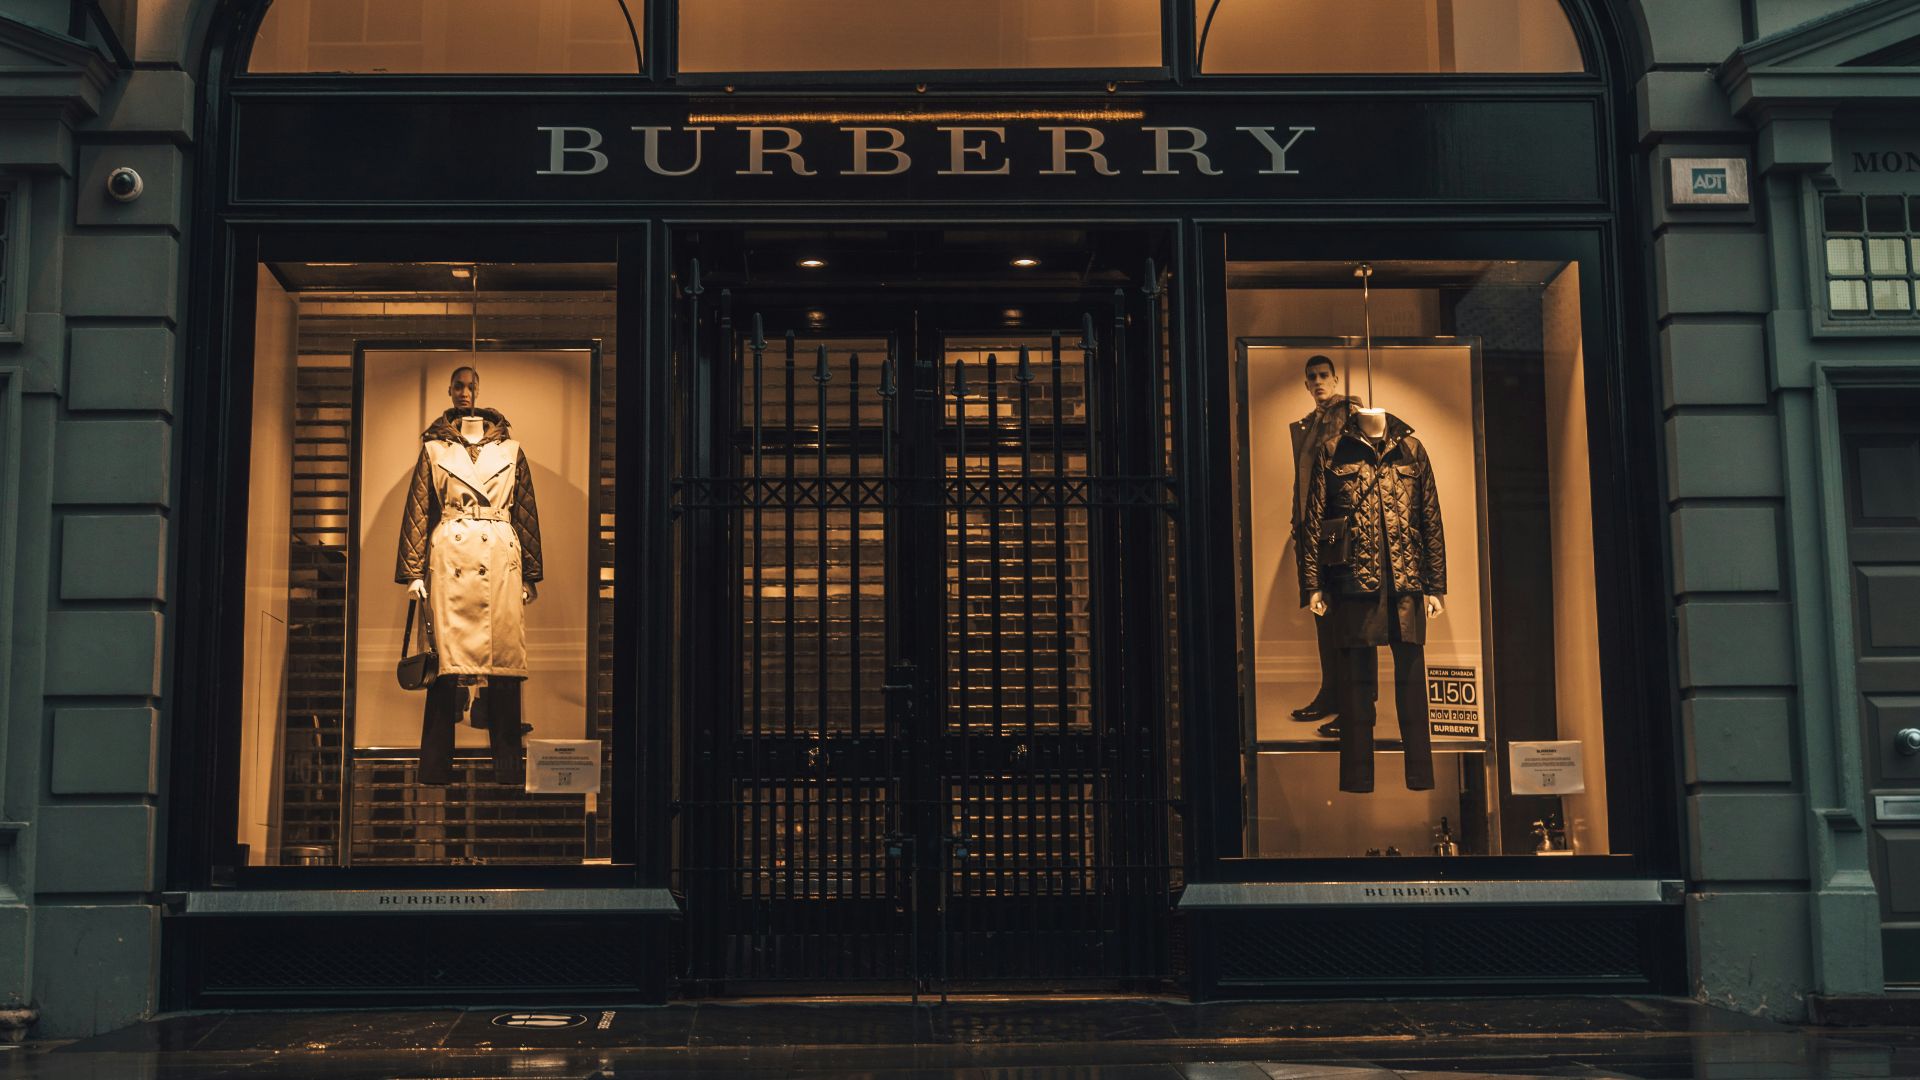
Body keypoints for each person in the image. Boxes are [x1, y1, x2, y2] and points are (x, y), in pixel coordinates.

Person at [396, 365, 545, 785]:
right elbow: (418, 511)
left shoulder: (512, 450)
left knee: (503, 666)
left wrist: (530, 574)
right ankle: (436, 768)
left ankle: (507, 769)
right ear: (450, 390)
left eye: (471, 386)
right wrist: (413, 572)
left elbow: (526, 513)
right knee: (445, 665)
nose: (465, 392)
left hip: (499, 555)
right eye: (459, 385)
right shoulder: (433, 450)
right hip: (450, 557)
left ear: (480, 391)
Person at [1287, 355, 1354, 729]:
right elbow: (1304, 478)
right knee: (1323, 614)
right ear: (1305, 382)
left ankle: (1353, 706)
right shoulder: (1311, 425)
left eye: (1323, 375)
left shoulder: (1349, 415)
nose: (1317, 381)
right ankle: (1332, 693)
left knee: (1349, 617)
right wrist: (1297, 523)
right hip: (1314, 530)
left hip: (1339, 531)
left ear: (1335, 377)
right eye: (1311, 376)